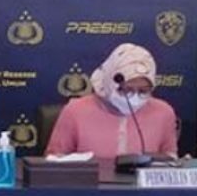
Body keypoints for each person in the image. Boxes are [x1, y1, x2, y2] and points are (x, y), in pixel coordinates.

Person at [46, 43, 177, 158]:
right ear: (110, 83)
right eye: (126, 90)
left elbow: (170, 160)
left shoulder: (163, 112)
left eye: (143, 91)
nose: (134, 98)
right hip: (88, 179)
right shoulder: (76, 111)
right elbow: (54, 162)